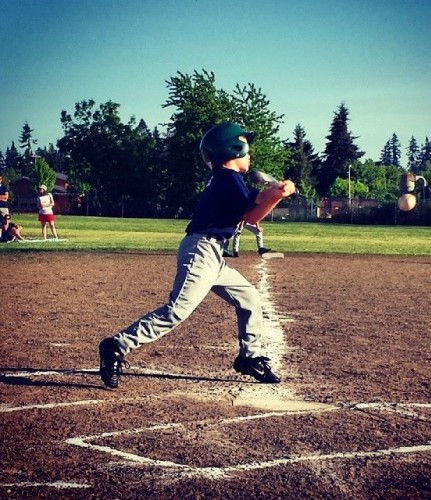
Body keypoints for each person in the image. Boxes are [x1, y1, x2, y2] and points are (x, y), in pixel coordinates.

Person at [98, 121, 296, 389]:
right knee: (176, 311)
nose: (249, 155)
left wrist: (273, 194)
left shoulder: (230, 180)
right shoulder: (228, 179)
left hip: (213, 253)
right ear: (232, 149)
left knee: (249, 298)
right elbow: (252, 215)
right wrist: (277, 195)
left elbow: (252, 206)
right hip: (202, 251)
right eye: (246, 148)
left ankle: (249, 357)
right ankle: (116, 346)